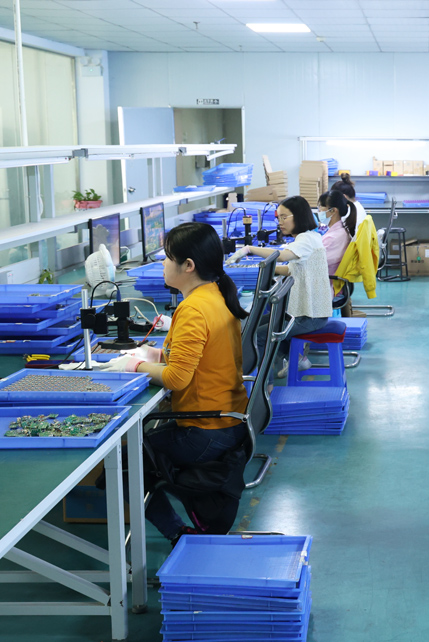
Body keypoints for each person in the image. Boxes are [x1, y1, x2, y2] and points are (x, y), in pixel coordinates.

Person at [100, 222, 249, 545]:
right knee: (141, 446)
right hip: (228, 420)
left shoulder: (193, 309)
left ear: (188, 265)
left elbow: (177, 379)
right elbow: (201, 357)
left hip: (205, 430)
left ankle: (178, 532)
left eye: (168, 258)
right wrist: (156, 354)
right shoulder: (215, 295)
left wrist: (134, 365)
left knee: (119, 466)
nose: (163, 264)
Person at [228, 196, 332, 377]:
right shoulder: (308, 237)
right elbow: (291, 270)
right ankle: (296, 358)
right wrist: (257, 268)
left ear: (298, 216)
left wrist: (249, 249)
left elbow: (282, 256)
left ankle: (263, 384)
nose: (280, 222)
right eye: (279, 217)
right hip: (305, 312)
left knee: (260, 335)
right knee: (255, 325)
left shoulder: (306, 239)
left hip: (310, 316)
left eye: (284, 217)